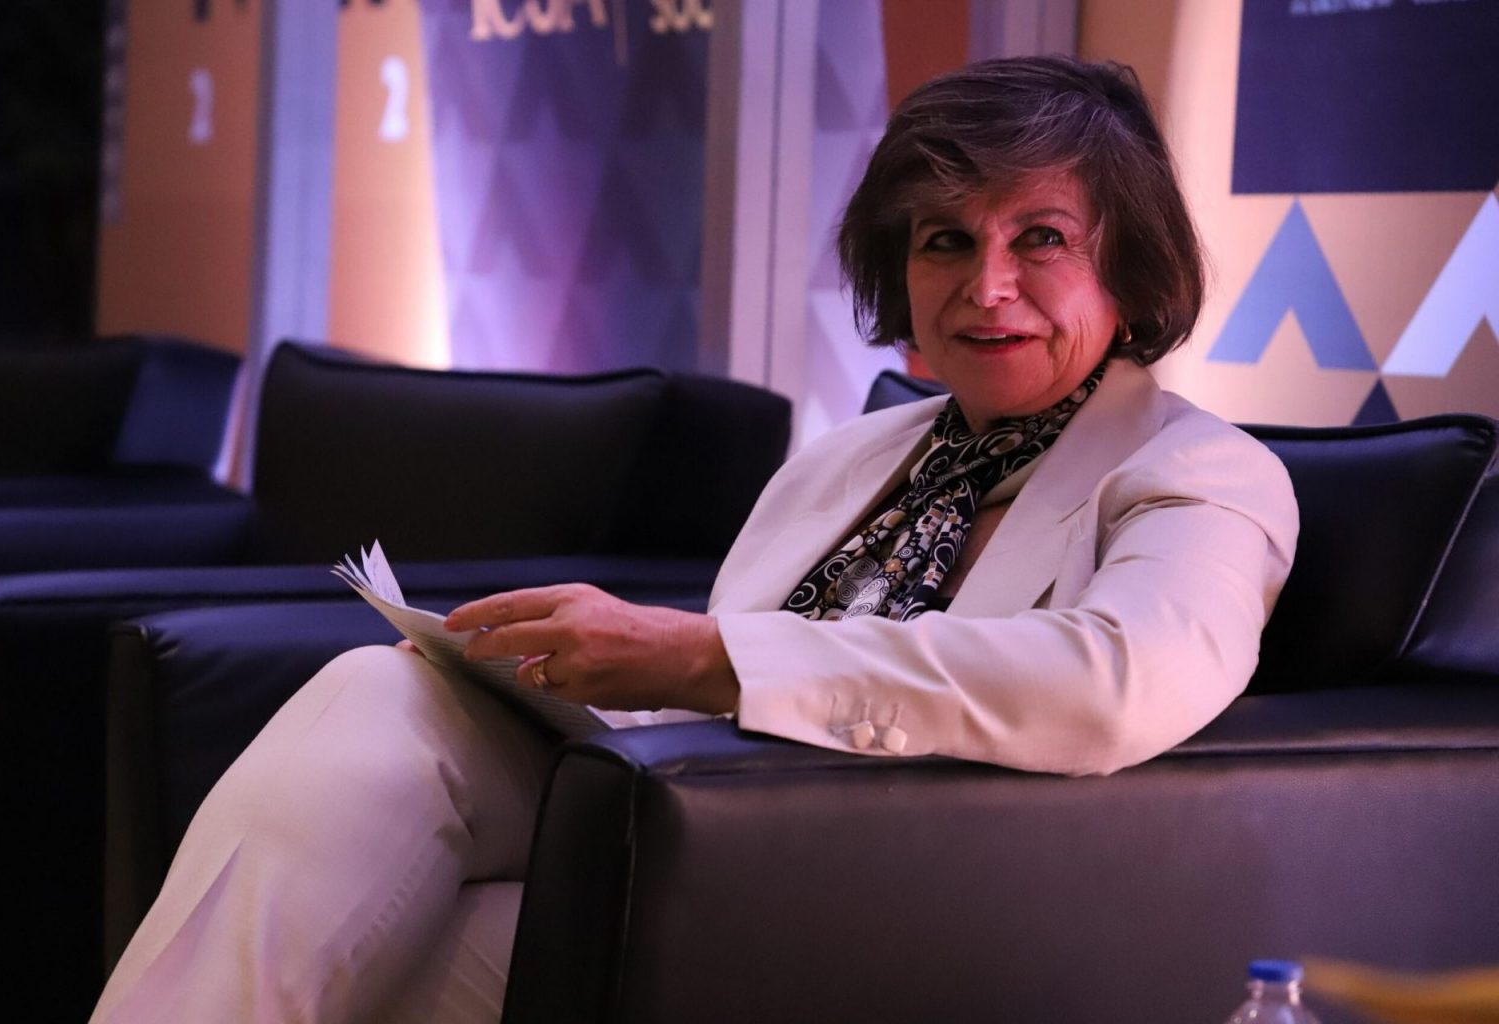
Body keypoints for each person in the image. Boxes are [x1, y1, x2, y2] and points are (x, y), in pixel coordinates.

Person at [91, 55, 1297, 1023]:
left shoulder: (1198, 471)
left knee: (368, 949)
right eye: (945, 240)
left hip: (923, 902)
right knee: (382, 698)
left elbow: (1113, 683)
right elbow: (702, 713)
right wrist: (525, 677)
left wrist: (696, 652)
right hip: (710, 847)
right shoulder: (854, 458)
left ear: (1131, 272)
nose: (986, 285)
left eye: (1041, 238)